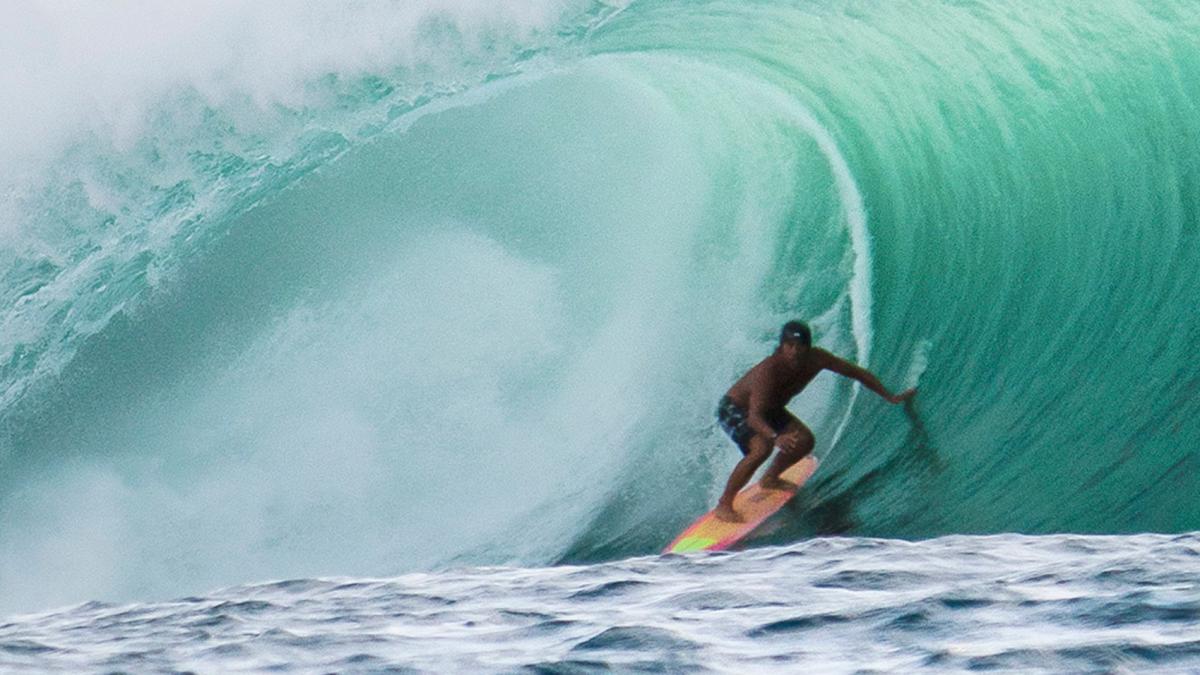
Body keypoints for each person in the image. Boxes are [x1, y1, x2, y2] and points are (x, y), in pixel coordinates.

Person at [713, 320, 915, 522]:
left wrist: (889, 396)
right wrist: (776, 437)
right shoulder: (768, 371)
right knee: (761, 448)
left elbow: (857, 373)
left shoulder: (817, 359)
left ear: (808, 347)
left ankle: (770, 478)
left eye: (799, 346)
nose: (794, 352)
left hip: (770, 409)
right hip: (735, 408)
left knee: (805, 441)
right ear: (781, 347)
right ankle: (724, 504)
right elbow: (755, 417)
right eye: (789, 346)